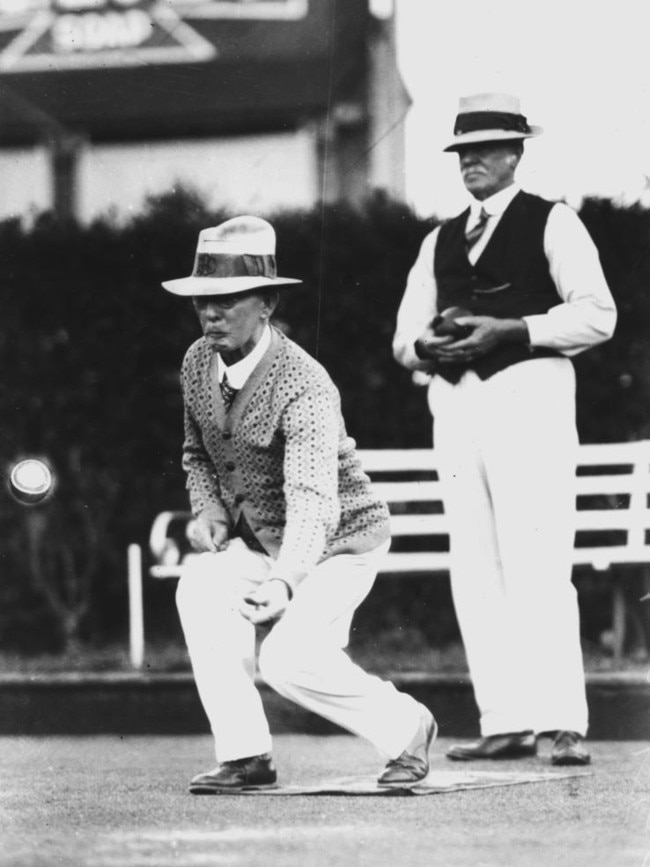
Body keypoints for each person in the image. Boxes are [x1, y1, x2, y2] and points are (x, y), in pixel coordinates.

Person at [162, 215, 436, 793]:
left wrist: (287, 581)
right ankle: (246, 755)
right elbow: (197, 454)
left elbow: (314, 501)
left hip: (339, 542)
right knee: (199, 588)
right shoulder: (195, 362)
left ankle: (407, 726)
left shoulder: (305, 383)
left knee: (286, 661)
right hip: (263, 541)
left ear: (265, 303)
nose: (210, 314)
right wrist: (208, 511)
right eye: (201, 301)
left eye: (227, 300)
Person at [393, 93, 617, 766]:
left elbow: (598, 315)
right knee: (476, 566)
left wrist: (515, 329)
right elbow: (404, 338)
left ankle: (560, 722)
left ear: (517, 153)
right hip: (457, 412)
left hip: (530, 407)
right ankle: (507, 717)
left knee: (539, 563)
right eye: (463, 151)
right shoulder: (438, 242)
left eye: (487, 149)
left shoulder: (554, 223)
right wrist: (432, 346)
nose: (473, 162)